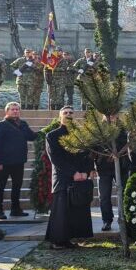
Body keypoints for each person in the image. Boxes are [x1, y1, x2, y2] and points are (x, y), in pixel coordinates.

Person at [44, 106, 94, 249]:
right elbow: (56, 158)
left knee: (77, 210)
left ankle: (72, 239)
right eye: (65, 113)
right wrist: (73, 173)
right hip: (63, 177)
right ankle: (58, 241)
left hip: (80, 178)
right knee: (62, 211)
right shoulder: (52, 135)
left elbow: (89, 154)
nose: (68, 115)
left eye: (71, 113)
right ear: (60, 117)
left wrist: (86, 171)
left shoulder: (82, 134)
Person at [0, 101, 38, 220]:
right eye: (13, 109)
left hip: (19, 161)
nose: (15, 111)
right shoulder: (0, 125)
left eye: (17, 109)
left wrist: (47, 131)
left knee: (17, 186)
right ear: (7, 111)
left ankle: (15, 209)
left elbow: (31, 136)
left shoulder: (23, 124)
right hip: (4, 162)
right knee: (0, 186)